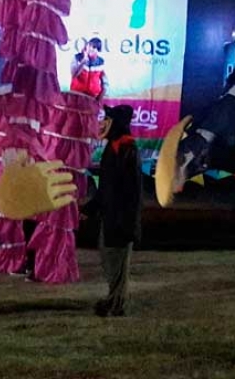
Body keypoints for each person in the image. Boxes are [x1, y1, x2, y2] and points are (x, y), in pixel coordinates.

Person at [91, 104, 141, 317]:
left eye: (107, 118)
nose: (103, 122)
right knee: (109, 259)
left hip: (121, 218)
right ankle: (114, 299)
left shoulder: (128, 149)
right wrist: (91, 208)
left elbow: (132, 191)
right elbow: (105, 187)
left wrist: (127, 221)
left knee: (119, 263)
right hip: (109, 216)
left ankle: (116, 303)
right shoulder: (112, 148)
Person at [70, 37, 108, 103]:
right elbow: (74, 74)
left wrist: (99, 99)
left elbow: (105, 83)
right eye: (89, 46)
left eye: (94, 47)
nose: (90, 49)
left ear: (98, 50)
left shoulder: (101, 62)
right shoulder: (77, 58)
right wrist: (83, 61)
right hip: (76, 95)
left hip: (92, 97)